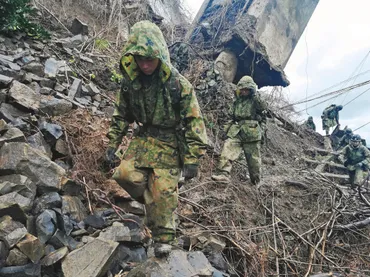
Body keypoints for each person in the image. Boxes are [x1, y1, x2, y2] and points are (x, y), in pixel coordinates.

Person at [105, 21, 208, 243]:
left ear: (160, 55)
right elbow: (121, 115)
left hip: (170, 143)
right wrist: (112, 144)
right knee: (124, 176)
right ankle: (155, 203)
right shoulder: (130, 83)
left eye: (149, 59)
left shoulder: (178, 84)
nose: (144, 64)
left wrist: (192, 159)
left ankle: (165, 240)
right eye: (139, 59)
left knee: (163, 192)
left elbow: (194, 121)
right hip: (143, 141)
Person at [211, 76, 267, 185]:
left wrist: (262, 133)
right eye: (242, 89)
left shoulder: (256, 100)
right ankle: (223, 174)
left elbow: (264, 109)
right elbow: (231, 117)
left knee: (253, 161)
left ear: (251, 90)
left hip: (252, 132)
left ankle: (256, 181)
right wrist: (225, 130)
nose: (244, 91)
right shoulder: (237, 102)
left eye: (247, 89)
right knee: (228, 149)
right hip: (236, 130)